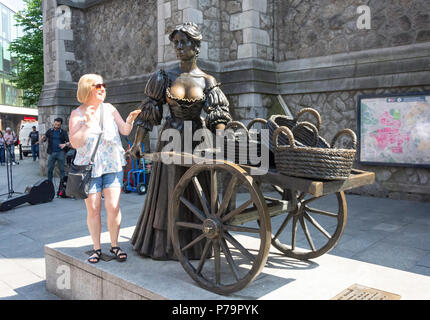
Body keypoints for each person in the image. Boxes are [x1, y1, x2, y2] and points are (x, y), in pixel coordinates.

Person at [129, 22, 232, 260]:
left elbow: (217, 114)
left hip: (198, 138)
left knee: (197, 189)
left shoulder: (207, 80)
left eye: (184, 42)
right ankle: (165, 244)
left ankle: (196, 241)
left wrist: (221, 139)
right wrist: (137, 143)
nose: (179, 47)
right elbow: (149, 112)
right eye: (175, 43)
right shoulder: (164, 77)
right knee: (170, 189)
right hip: (171, 138)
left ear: (196, 47)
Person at [68, 73, 141, 264]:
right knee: (93, 209)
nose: (102, 88)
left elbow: (124, 130)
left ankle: (115, 245)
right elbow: (75, 143)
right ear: (87, 89)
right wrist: (87, 125)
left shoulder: (109, 109)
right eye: (97, 86)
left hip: (112, 165)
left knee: (114, 207)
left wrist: (131, 120)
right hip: (89, 167)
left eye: (103, 85)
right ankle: (97, 248)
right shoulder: (77, 114)